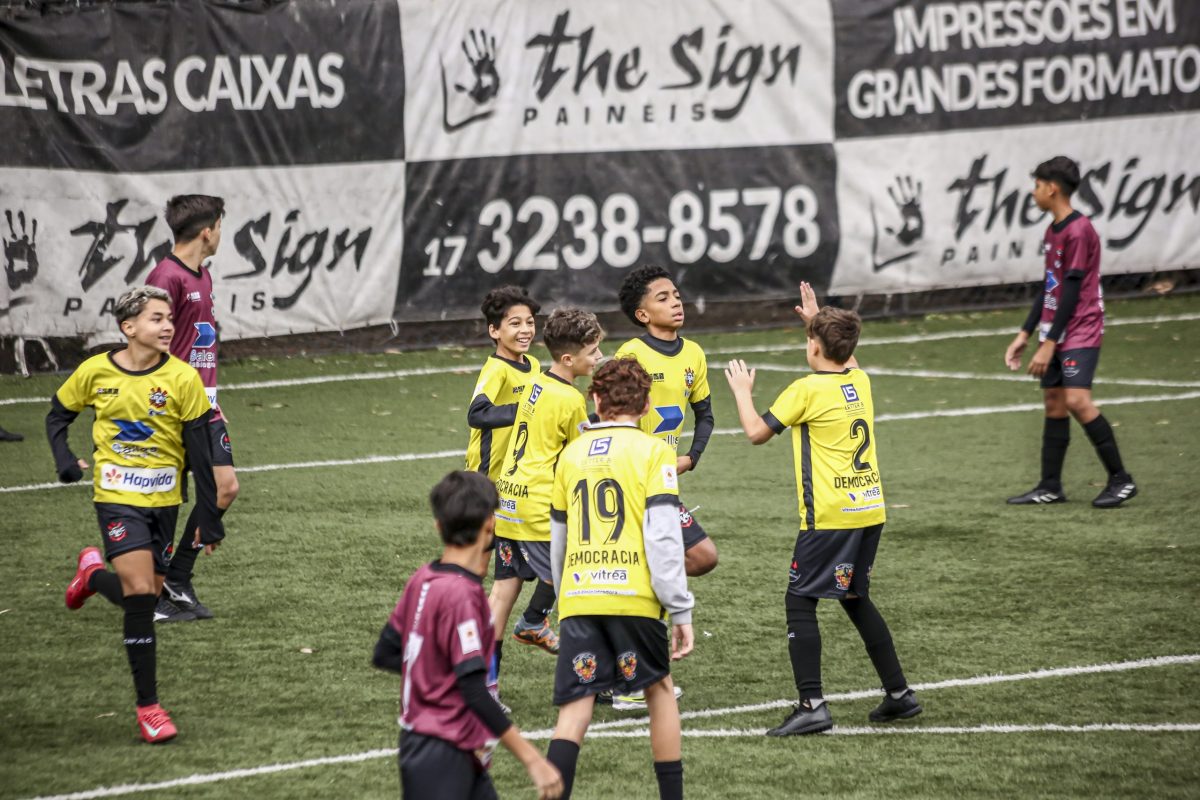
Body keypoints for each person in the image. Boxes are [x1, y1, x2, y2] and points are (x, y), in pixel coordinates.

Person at [723, 283, 920, 736]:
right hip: (869, 509)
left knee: (799, 600)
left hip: (830, 517)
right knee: (854, 597)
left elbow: (756, 433)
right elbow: (845, 358)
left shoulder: (806, 390)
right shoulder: (859, 380)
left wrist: (742, 391)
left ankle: (811, 704)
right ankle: (898, 693)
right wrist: (816, 322)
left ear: (814, 346)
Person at [47, 285, 224, 744]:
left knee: (142, 595)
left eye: (169, 318)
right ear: (128, 327)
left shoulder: (183, 378)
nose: (167, 326)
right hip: (116, 497)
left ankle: (91, 577)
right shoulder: (95, 371)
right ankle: (150, 707)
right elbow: (57, 415)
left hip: (165, 502)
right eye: (156, 318)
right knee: (143, 596)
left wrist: (210, 516)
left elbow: (200, 453)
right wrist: (64, 460)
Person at [545, 357, 694, 800]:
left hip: (580, 594)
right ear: (647, 406)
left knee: (575, 707)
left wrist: (564, 596)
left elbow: (559, 538)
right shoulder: (654, 451)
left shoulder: (570, 455)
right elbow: (663, 537)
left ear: (595, 400)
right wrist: (680, 607)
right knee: (659, 689)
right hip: (633, 596)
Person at [372, 470, 562, 800]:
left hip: (439, 747)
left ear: (438, 526)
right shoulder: (462, 594)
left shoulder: (423, 578)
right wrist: (532, 759)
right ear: (490, 524)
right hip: (441, 752)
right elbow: (473, 688)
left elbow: (387, 652)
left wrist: (431, 682)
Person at [610, 265, 716, 710]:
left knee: (700, 557)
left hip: (664, 481)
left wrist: (692, 456)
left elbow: (705, 414)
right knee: (657, 566)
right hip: (632, 481)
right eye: (663, 297)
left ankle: (621, 665)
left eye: (676, 295)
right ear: (641, 314)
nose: (676, 302)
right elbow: (610, 414)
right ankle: (631, 678)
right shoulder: (631, 353)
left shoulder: (693, 354)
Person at [1003, 156, 1137, 508]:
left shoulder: (1078, 231)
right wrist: (1025, 333)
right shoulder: (1053, 230)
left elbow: (1073, 290)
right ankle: (1050, 486)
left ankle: (1121, 479)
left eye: (1036, 186)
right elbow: (1051, 285)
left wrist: (1049, 343)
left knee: (1077, 400)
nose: (1033, 193)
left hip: (1080, 328)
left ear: (1052, 188)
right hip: (1055, 328)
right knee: (1054, 402)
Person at [490, 309, 604, 681]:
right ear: (569, 359)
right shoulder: (570, 400)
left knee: (501, 594)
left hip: (508, 498)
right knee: (576, 580)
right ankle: (589, 678)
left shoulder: (536, 380)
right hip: (538, 507)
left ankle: (484, 686)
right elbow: (580, 455)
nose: (599, 357)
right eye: (593, 351)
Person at [145, 195, 238, 622]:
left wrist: (212, 398)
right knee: (165, 502)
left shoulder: (203, 274)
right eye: (219, 226)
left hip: (204, 407)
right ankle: (155, 591)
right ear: (206, 230)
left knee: (224, 488)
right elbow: (145, 340)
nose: (220, 234)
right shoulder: (166, 276)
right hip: (172, 408)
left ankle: (177, 579)